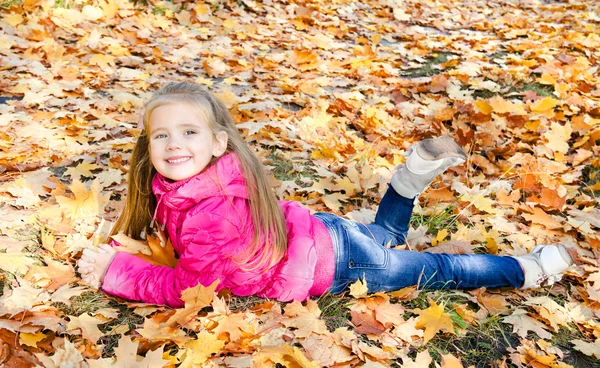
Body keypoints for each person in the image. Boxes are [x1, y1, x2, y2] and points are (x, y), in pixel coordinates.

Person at [77, 82, 574, 308]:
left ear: (218, 143)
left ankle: (528, 268)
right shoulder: (193, 182)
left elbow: (192, 289)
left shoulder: (215, 210)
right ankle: (409, 179)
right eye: (162, 135)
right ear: (148, 143)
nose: (173, 145)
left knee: (439, 271)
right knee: (383, 235)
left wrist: (116, 272)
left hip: (337, 266)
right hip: (322, 235)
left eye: (189, 133)